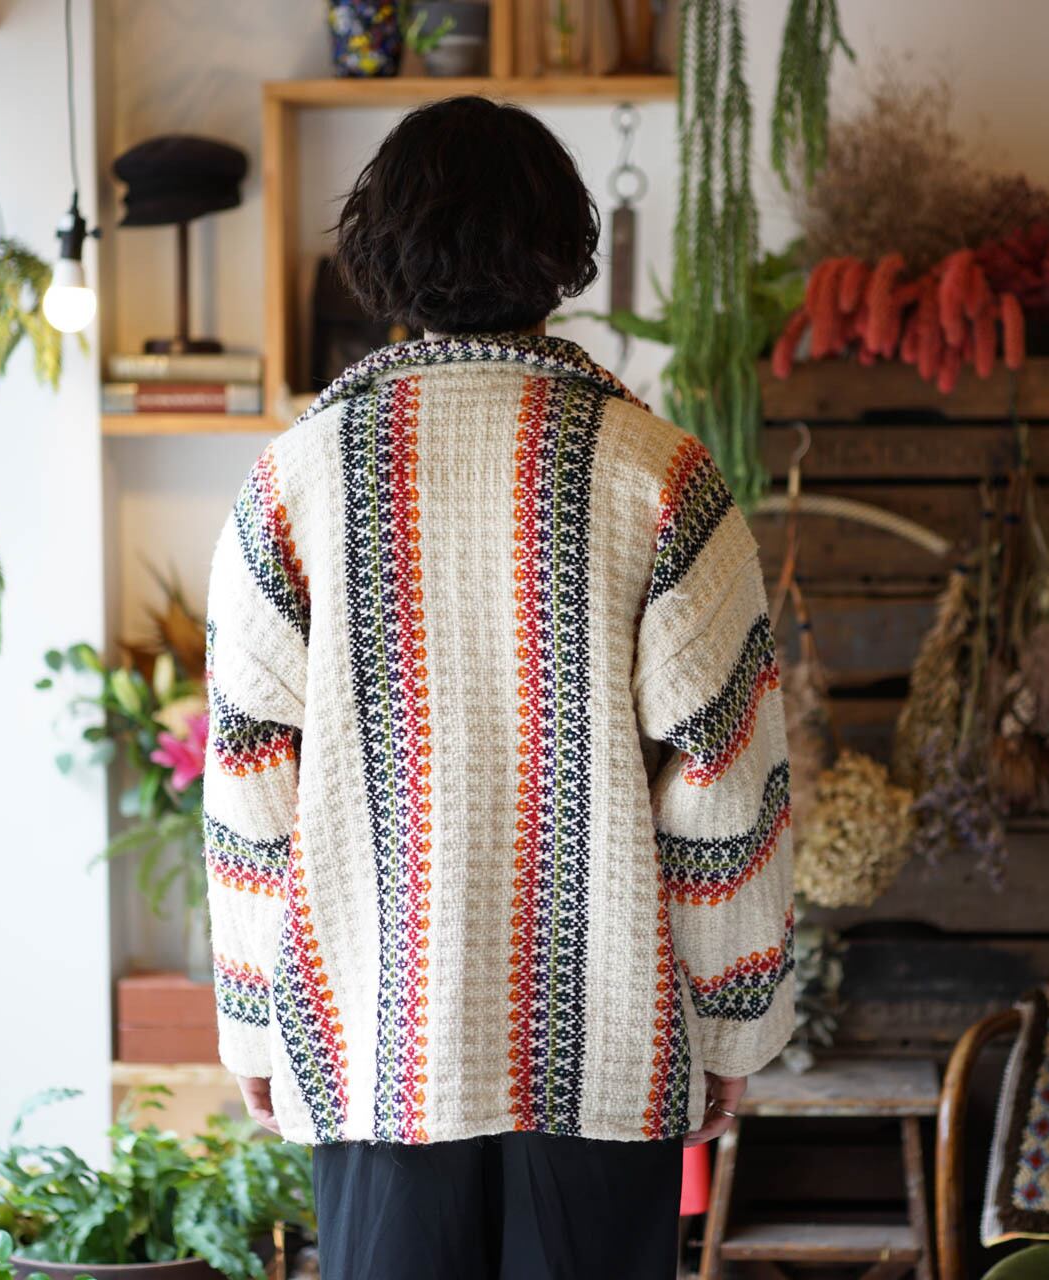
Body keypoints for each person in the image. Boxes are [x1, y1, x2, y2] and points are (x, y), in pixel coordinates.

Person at [202, 95, 794, 1280]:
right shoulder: (659, 473)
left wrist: (254, 1019)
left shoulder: (293, 482)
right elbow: (723, 775)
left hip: (372, 1046)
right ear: (559, 249)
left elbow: (248, 783)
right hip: (605, 1052)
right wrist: (732, 1018)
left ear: (377, 253)